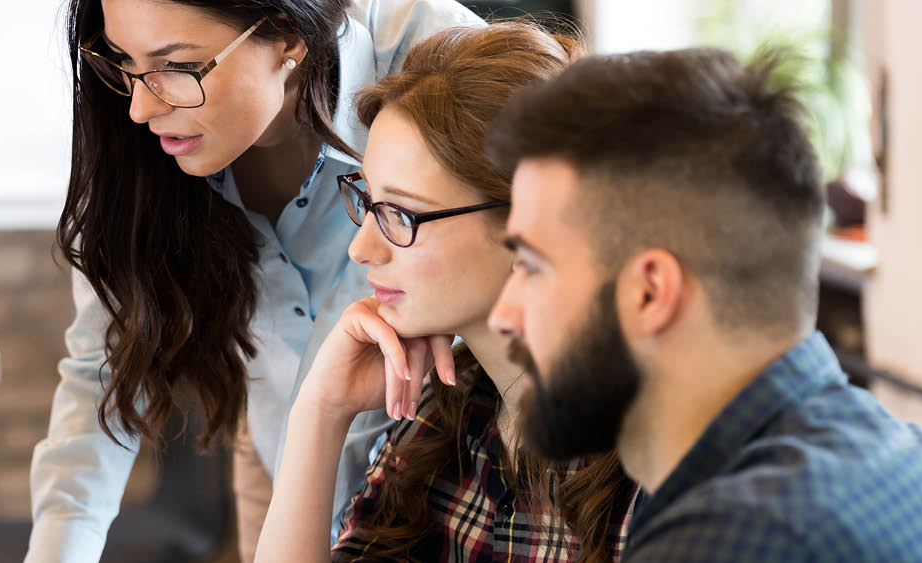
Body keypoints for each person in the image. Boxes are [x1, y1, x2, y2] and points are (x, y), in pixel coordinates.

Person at [27, 1, 482, 561]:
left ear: (288, 34)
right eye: (122, 60)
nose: (140, 108)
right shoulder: (139, 142)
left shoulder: (441, 63)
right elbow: (99, 373)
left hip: (446, 460)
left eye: (177, 66)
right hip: (276, 448)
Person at [485, 47, 922, 561]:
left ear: (650, 293)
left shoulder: (729, 539)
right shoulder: (910, 459)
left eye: (531, 267)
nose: (502, 316)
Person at [256, 23, 638, 563]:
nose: (361, 249)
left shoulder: (668, 454)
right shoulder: (451, 414)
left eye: (402, 214)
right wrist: (320, 411)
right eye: (368, 201)